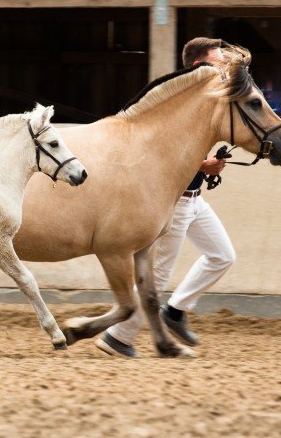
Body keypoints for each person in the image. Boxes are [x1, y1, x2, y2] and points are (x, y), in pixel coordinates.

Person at [95, 37, 236, 358]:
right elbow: (165, 152)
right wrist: (204, 164)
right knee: (154, 276)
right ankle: (118, 337)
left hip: (195, 197)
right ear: (199, 67)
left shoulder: (206, 102)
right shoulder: (179, 102)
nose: (225, 70)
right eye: (219, 63)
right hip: (175, 202)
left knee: (223, 256)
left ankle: (176, 310)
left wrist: (208, 165)